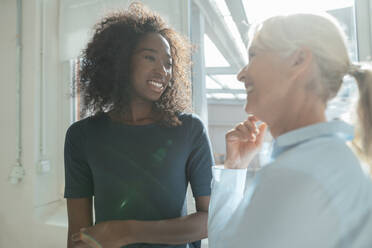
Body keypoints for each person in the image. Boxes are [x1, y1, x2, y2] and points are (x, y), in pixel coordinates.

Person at [208, 13, 372, 247]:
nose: (241, 74)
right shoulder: (324, 159)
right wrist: (235, 167)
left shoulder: (300, 171)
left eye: (253, 55)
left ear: (299, 60)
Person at [64, 3, 213, 248]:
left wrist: (127, 231)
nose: (162, 71)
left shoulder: (189, 129)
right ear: (119, 61)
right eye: (150, 57)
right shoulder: (82, 135)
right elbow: (78, 237)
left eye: (168, 63)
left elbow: (209, 220)